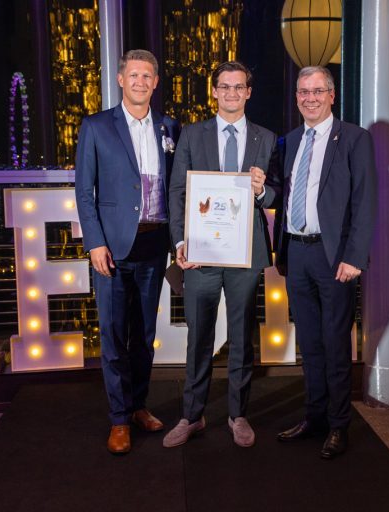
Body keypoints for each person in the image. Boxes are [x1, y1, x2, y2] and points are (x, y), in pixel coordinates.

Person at [163, 61, 279, 448]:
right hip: (201, 253)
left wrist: (262, 191)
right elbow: (178, 191)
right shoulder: (192, 134)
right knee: (199, 336)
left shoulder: (267, 138)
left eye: (239, 86)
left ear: (249, 92)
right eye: (225, 86)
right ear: (214, 91)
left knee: (242, 337)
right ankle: (191, 415)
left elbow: (277, 193)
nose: (232, 93)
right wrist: (180, 244)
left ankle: (237, 415)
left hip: (246, 254)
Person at [75, 49, 180, 455]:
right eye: (133, 75)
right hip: (113, 250)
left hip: (155, 245)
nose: (140, 81)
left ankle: (138, 405)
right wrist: (95, 242)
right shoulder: (96, 126)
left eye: (147, 76)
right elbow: (85, 192)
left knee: (145, 336)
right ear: (121, 80)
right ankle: (118, 418)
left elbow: (177, 187)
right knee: (115, 336)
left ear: (155, 82)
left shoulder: (169, 126)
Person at [272, 66, 377, 459]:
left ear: (332, 96)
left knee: (335, 344)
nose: (310, 98)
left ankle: (338, 424)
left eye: (317, 91)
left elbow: (365, 201)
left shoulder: (354, 138)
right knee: (310, 344)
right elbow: (280, 194)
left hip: (335, 258)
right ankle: (314, 418)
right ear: (296, 97)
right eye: (303, 91)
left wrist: (354, 257)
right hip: (296, 252)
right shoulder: (289, 141)